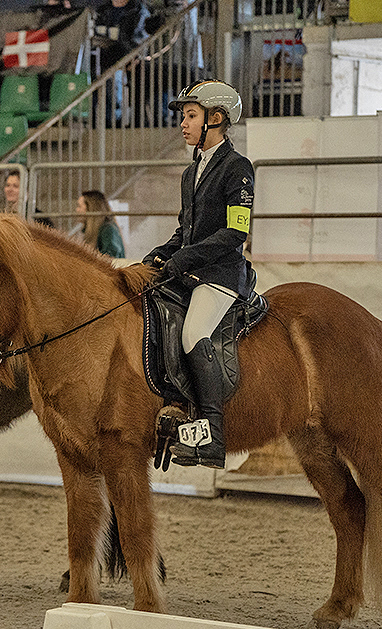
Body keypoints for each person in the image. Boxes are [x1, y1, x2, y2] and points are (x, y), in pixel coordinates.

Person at [141, 80, 253, 470]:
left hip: (221, 275)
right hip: (190, 271)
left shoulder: (237, 168)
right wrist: (164, 252)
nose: (183, 124)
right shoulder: (191, 173)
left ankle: (212, 433)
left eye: (191, 116)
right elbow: (185, 229)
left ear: (216, 119)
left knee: (193, 333)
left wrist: (185, 258)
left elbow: (235, 232)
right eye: (184, 117)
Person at [77, 190, 125, 258]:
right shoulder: (91, 230)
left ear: (90, 208)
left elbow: (111, 258)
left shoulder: (108, 230)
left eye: (79, 206)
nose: (77, 210)